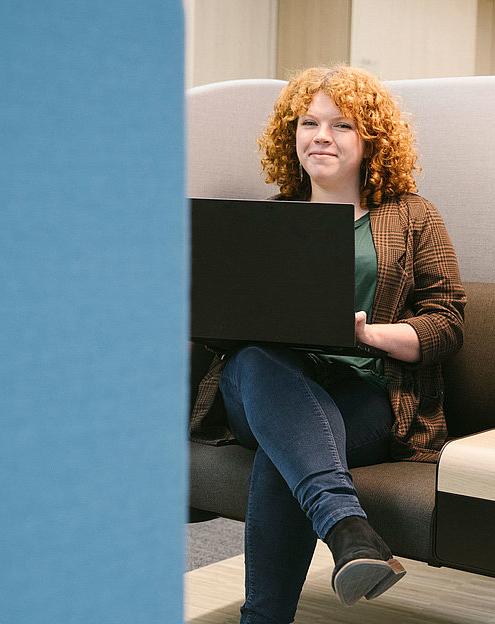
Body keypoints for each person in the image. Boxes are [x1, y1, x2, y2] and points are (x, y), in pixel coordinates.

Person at [189, 65, 466, 624]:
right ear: (290, 137)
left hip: (366, 392)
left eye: (341, 125)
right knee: (257, 361)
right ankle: (348, 531)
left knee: (283, 448)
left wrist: (367, 334)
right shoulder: (267, 220)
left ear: (371, 140)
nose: (321, 136)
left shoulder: (412, 216)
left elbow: (448, 323)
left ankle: (278, 604)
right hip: (264, 379)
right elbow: (221, 333)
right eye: (309, 122)